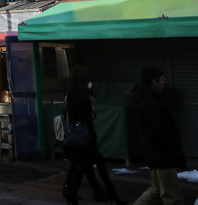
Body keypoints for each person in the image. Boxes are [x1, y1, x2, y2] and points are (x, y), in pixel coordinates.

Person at [61, 67, 126, 205]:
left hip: (87, 135)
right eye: (87, 80)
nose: (89, 82)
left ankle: (74, 194)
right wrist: (87, 116)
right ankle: (74, 194)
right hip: (82, 137)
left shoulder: (84, 93)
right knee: (82, 166)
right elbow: (73, 115)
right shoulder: (74, 94)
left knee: (85, 166)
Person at [126, 67, 186, 205]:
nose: (164, 82)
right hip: (161, 155)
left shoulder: (149, 99)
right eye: (162, 79)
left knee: (157, 191)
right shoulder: (150, 102)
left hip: (156, 154)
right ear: (154, 82)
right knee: (172, 196)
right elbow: (156, 130)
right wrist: (170, 145)